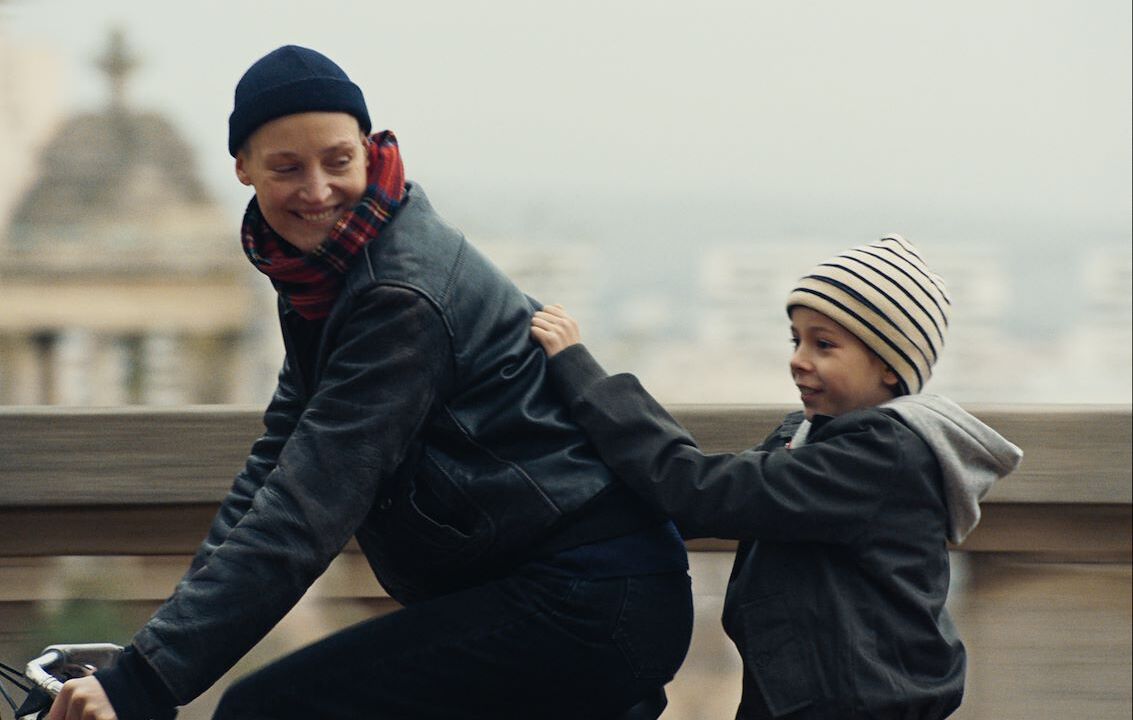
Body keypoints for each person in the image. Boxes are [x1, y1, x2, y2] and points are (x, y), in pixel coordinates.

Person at [48, 45, 692, 720]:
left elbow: (309, 505)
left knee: (268, 710)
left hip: (587, 594)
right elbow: (273, 470)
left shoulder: (397, 294)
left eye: (338, 161)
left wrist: (145, 682)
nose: (317, 190)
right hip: (563, 589)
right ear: (243, 169)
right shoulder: (324, 271)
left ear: (369, 147)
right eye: (287, 168)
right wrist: (148, 658)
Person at [531, 235, 1024, 719]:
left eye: (824, 344)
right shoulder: (811, 439)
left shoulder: (878, 458)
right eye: (796, 339)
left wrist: (584, 379)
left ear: (890, 367)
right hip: (803, 697)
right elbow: (695, 497)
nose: (798, 359)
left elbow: (701, 490)